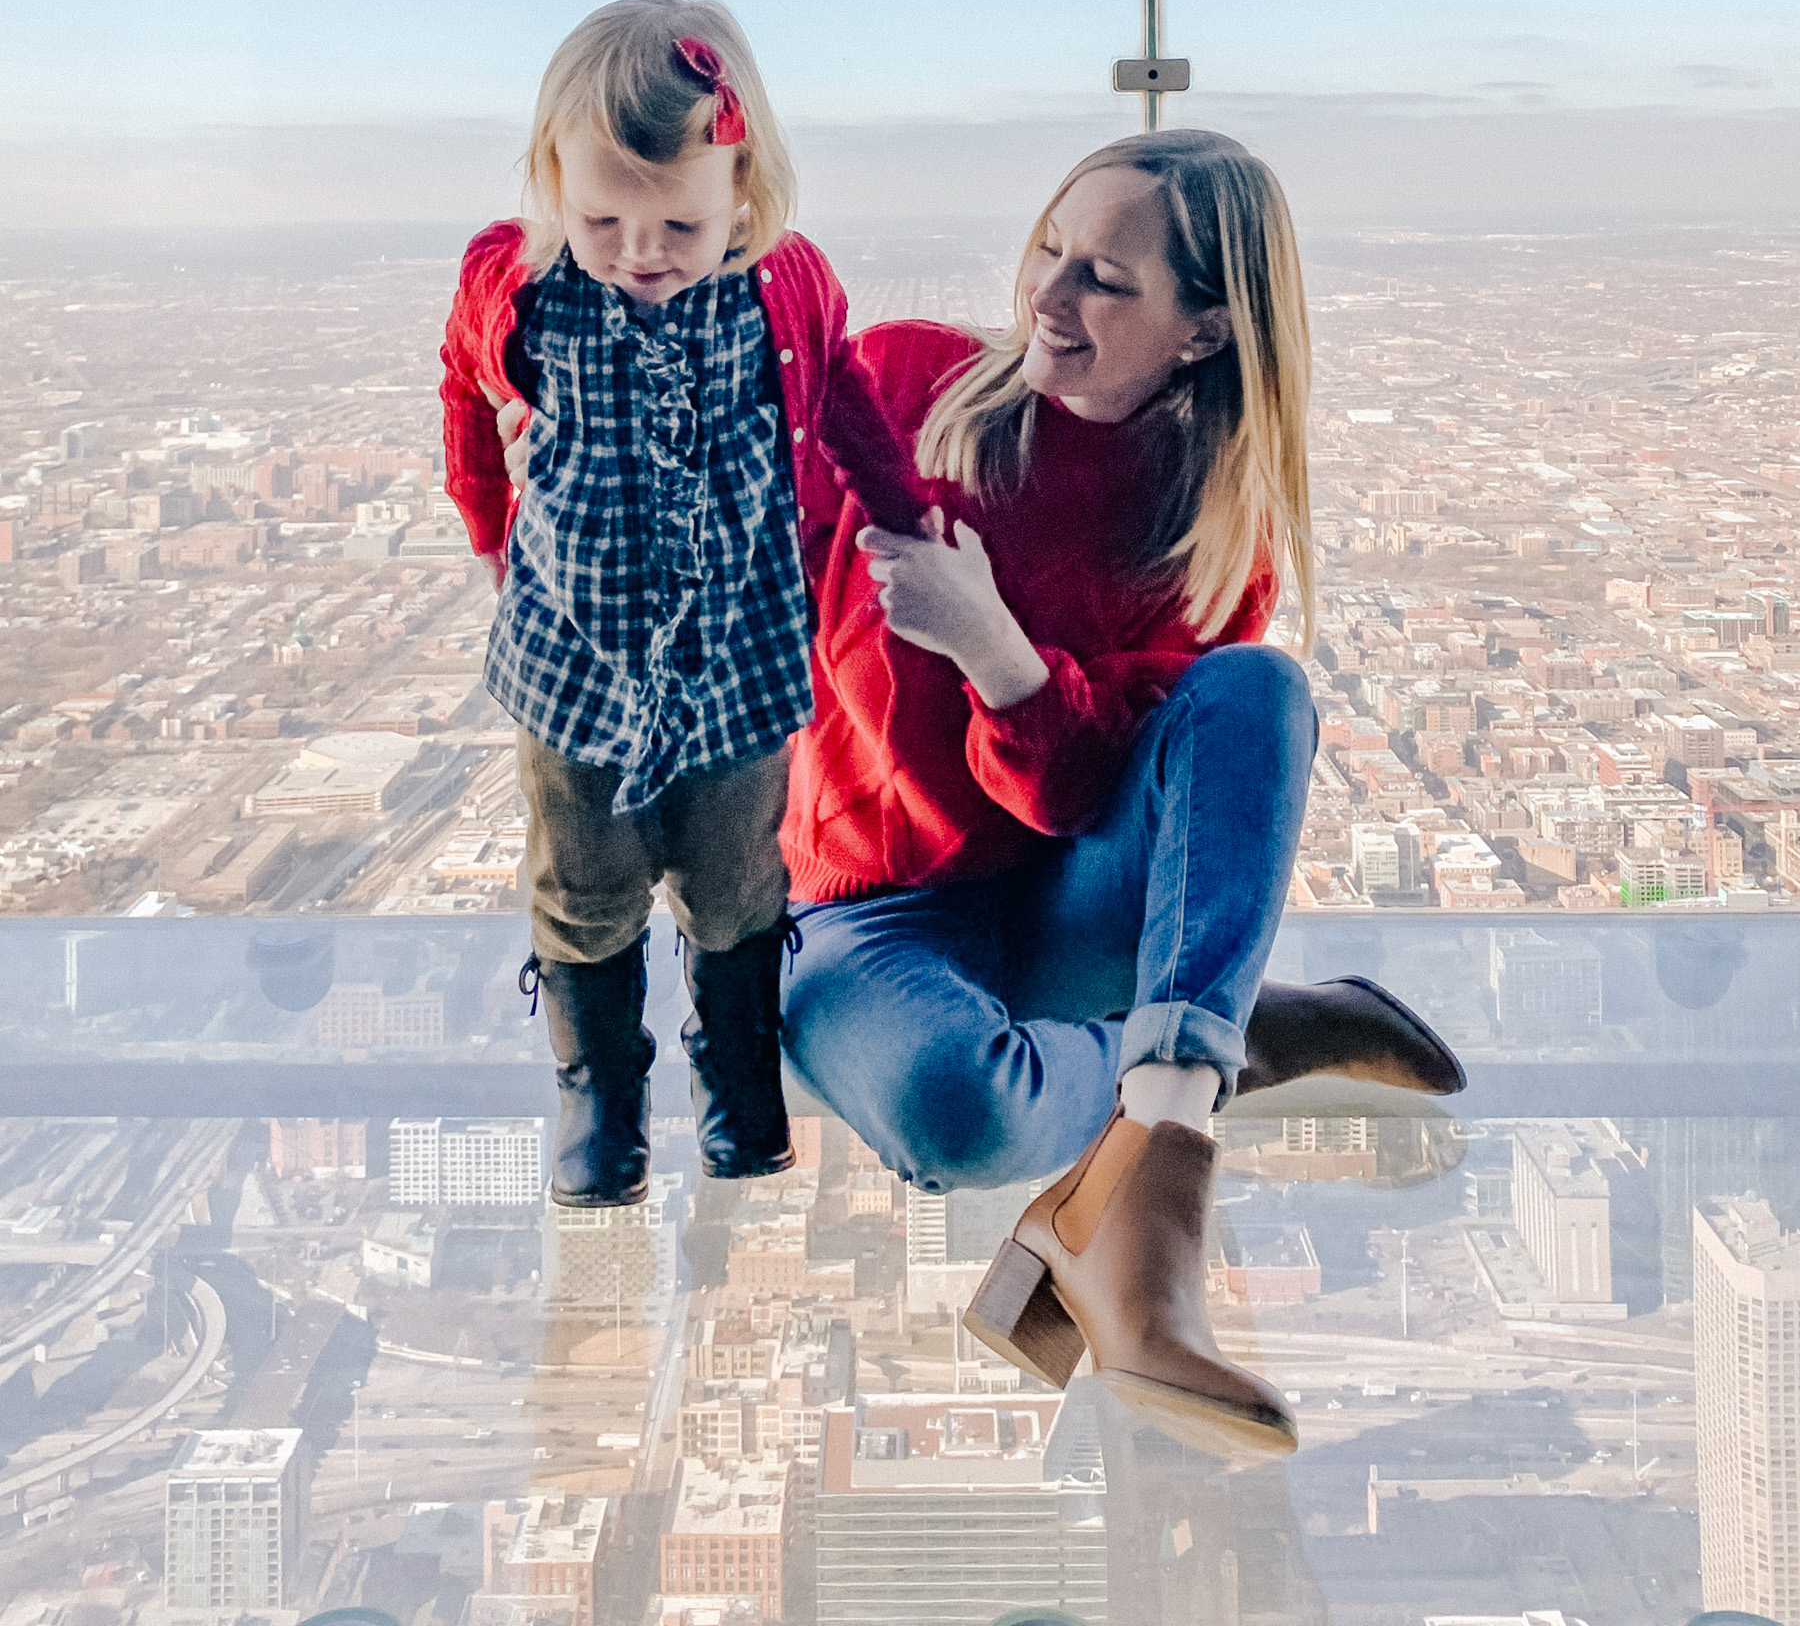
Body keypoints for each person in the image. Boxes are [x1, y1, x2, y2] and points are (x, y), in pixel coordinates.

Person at [492, 124, 1461, 1460]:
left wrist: (991, 645)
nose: (1049, 300)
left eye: (1107, 282)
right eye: (1050, 253)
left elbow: (1078, 803)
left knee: (1257, 694)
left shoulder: (1206, 538)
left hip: (1052, 904)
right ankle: (1212, 1039)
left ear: (1203, 330)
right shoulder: (902, 387)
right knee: (961, 1117)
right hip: (852, 912)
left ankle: (1151, 1214)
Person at [439, 0, 921, 1212]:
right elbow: (462, 385)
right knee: (582, 884)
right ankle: (600, 1092)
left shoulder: (785, 289)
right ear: (551, 184)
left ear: (745, 194)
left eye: (681, 222)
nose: (641, 249)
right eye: (601, 215)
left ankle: (738, 1074)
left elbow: (850, 401)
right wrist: (489, 522)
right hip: (573, 665)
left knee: (738, 881)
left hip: (738, 659)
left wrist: (902, 509)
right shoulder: (519, 284)